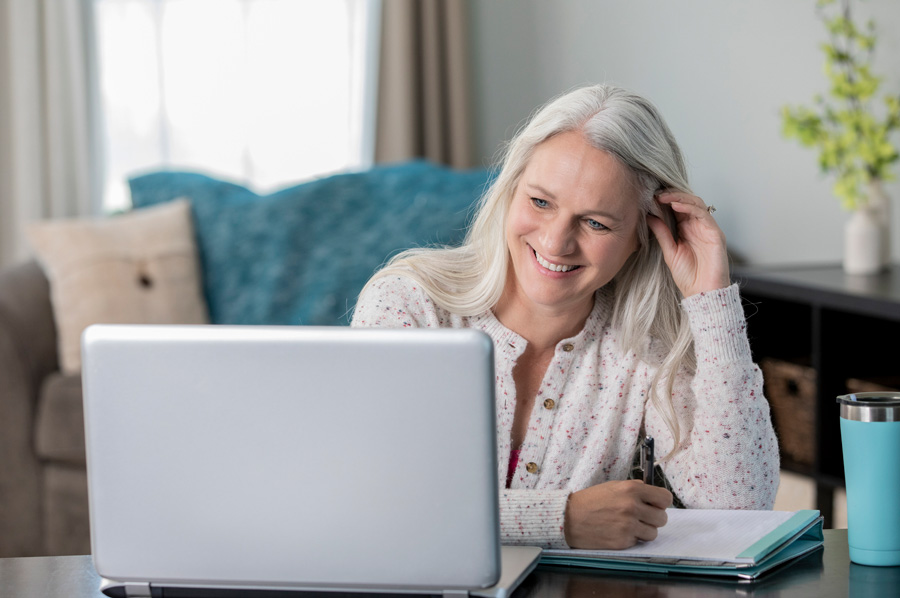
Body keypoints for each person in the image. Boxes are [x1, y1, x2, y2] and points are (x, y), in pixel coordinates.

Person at [351, 84, 779, 550]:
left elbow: (740, 506)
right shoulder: (408, 303)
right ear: (510, 191)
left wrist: (713, 302)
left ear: (642, 236)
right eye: (540, 202)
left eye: (595, 222)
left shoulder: (648, 348)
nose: (555, 243)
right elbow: (365, 504)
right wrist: (561, 519)